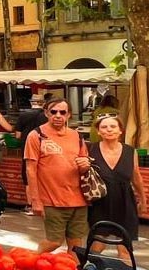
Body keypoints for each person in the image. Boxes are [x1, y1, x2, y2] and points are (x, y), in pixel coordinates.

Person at [25, 98, 89, 254]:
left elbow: (84, 165)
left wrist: (85, 165)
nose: (58, 115)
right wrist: (35, 200)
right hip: (52, 200)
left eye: (62, 112)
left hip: (78, 200)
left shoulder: (77, 136)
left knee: (76, 245)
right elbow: (30, 169)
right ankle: (30, 260)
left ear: (69, 115)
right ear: (47, 113)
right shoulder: (36, 135)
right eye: (53, 112)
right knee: (54, 241)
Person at [87, 114, 146, 258]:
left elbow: (136, 177)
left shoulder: (131, 151)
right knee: (97, 245)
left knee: (124, 248)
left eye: (113, 126)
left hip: (125, 202)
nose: (109, 130)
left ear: (120, 130)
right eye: (104, 127)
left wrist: (143, 199)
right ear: (98, 131)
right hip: (100, 202)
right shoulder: (90, 150)